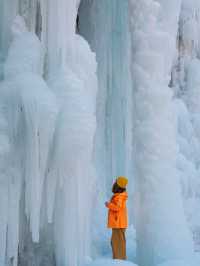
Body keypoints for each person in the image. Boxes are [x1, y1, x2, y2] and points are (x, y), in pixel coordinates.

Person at [105, 176, 128, 260]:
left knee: (117, 243)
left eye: (116, 182)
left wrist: (109, 205)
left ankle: (119, 260)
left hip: (118, 223)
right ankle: (119, 259)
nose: (114, 183)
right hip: (118, 223)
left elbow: (118, 207)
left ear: (118, 185)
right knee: (116, 242)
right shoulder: (119, 196)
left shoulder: (120, 197)